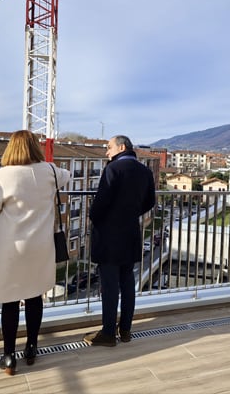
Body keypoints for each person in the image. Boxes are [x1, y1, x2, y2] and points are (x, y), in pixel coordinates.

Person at [0, 130, 71, 375]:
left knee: (10, 301)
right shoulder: (50, 171)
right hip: (41, 246)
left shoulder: (3, 175)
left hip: (13, 248)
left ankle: (9, 357)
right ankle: (31, 347)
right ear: (35, 147)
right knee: (34, 295)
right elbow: (68, 175)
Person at [84, 135, 156, 346]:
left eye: (109, 148)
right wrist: (131, 213)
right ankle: (125, 330)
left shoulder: (113, 169)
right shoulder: (145, 171)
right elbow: (150, 201)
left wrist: (95, 218)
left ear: (121, 147)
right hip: (131, 232)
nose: (107, 152)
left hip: (109, 236)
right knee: (127, 284)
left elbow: (101, 202)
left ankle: (107, 333)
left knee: (109, 286)